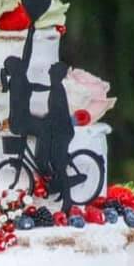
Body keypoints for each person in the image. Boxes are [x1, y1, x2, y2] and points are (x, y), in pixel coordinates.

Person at [44, 61, 75, 212]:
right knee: (53, 160)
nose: (49, 75)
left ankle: (67, 200)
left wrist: (45, 120)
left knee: (60, 166)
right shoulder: (55, 88)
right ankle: (61, 191)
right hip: (59, 130)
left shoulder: (57, 90)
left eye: (51, 73)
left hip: (63, 132)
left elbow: (58, 114)